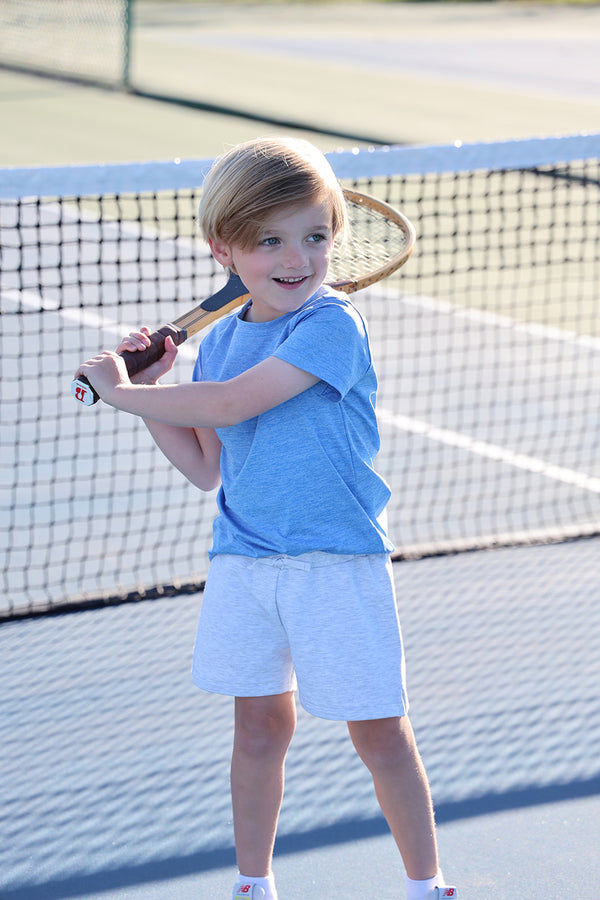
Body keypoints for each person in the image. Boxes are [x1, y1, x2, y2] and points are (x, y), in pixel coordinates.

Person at [74, 137, 457, 900]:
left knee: (378, 732)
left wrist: (122, 394)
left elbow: (233, 404)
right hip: (244, 564)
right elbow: (210, 466)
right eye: (271, 239)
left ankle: (427, 887)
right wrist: (155, 388)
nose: (297, 258)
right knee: (257, 731)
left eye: (315, 236)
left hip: (333, 562)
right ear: (226, 247)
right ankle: (254, 884)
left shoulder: (331, 324)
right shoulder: (218, 347)